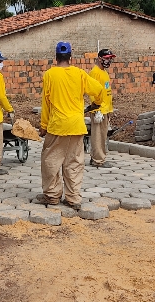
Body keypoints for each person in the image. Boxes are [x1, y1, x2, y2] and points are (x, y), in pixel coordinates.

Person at [38, 42, 105, 210]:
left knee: (51, 161)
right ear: (70, 58)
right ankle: (73, 198)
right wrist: (96, 103)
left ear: (55, 57)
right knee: (74, 162)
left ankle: (52, 196)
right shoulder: (80, 74)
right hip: (76, 125)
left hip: (57, 125)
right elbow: (98, 90)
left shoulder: (49, 75)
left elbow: (46, 103)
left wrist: (43, 125)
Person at [88, 49, 116, 168]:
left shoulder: (103, 72)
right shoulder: (95, 72)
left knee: (102, 135)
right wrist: (96, 108)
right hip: (99, 109)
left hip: (106, 108)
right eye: (106, 58)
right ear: (99, 58)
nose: (108, 61)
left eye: (110, 58)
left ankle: (96, 157)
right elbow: (92, 91)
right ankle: (98, 160)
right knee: (98, 136)